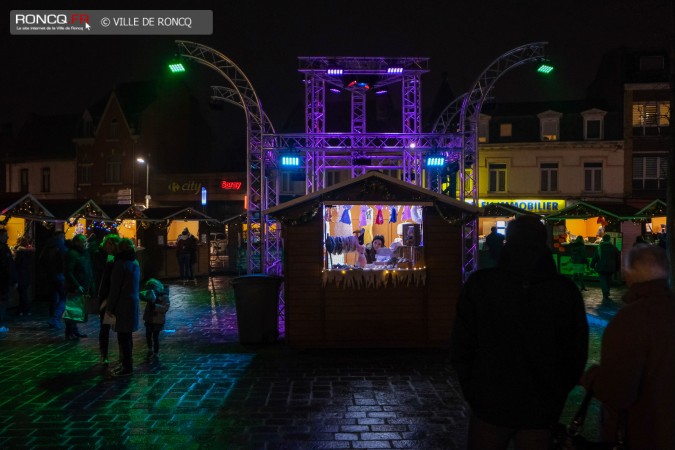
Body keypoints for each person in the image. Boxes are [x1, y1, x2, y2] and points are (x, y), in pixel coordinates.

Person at [450, 215, 589, 450]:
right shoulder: (564, 291)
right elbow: (576, 351)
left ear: (508, 241)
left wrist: (474, 391)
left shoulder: (481, 285)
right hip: (540, 405)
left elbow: (461, 345)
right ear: (543, 242)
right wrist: (556, 393)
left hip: (491, 402)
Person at [582, 245, 675, 449]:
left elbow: (618, 391)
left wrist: (592, 377)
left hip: (644, 431)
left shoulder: (630, 320)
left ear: (629, 273)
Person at [104, 238, 140, 377]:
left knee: (123, 336)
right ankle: (127, 363)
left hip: (122, 304)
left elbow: (115, 288)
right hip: (132, 302)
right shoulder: (135, 263)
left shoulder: (120, 264)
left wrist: (110, 306)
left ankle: (126, 365)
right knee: (128, 336)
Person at [97, 234, 121, 366]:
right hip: (106, 296)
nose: (109, 247)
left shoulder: (117, 259)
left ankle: (119, 354)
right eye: (108, 244)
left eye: (112, 244)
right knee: (105, 326)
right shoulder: (102, 258)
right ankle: (103, 354)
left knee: (118, 326)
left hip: (114, 296)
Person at [64, 234, 93, 341]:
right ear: (76, 242)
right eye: (82, 241)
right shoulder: (72, 254)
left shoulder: (84, 253)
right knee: (72, 310)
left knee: (78, 310)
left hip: (82, 285)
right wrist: (76, 285)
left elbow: (89, 270)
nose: (85, 242)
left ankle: (74, 331)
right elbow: (69, 271)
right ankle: (69, 332)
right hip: (75, 287)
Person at [40, 231, 68, 330]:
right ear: (60, 237)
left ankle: (52, 319)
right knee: (64, 298)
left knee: (54, 298)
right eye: (63, 236)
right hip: (60, 276)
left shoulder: (47, 247)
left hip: (50, 276)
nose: (64, 238)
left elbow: (42, 260)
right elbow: (65, 262)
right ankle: (55, 319)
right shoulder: (61, 248)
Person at [141, 278, 170, 359]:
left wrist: (155, 306)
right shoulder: (151, 294)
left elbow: (165, 308)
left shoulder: (164, 296)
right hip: (149, 318)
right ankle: (150, 348)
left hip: (157, 320)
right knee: (148, 334)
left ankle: (156, 351)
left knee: (155, 336)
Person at [591, 234, 620, 300]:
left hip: (601, 266)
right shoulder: (614, 248)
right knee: (609, 279)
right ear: (609, 239)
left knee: (603, 279)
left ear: (603, 239)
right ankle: (607, 291)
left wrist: (592, 265)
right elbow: (617, 258)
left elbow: (595, 257)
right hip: (611, 267)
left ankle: (605, 292)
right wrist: (618, 267)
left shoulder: (599, 247)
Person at [0, 229, 17, 332]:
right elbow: (8, 267)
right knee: (2, 301)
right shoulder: (3, 249)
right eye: (5, 235)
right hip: (3, 280)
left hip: (3, 279)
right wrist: (13, 280)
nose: (7, 237)